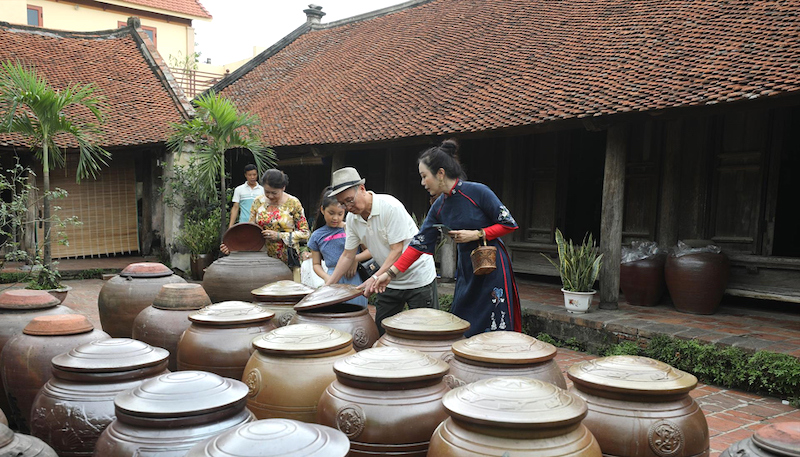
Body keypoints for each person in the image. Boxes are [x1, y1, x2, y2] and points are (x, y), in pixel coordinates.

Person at [368, 139, 522, 337]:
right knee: (463, 322)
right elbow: (418, 245)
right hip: (467, 270)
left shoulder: (478, 192)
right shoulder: (438, 207)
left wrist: (477, 234)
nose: (422, 183)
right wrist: (389, 274)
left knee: (495, 324)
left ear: (440, 173)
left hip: (492, 267)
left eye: (424, 176)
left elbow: (509, 223)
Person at [324, 167, 438, 335]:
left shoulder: (389, 207)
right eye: (343, 203)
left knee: (425, 332)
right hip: (388, 281)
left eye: (349, 200)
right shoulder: (352, 219)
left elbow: (397, 250)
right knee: (381, 331)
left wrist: (375, 277)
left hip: (417, 276)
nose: (348, 207)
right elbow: (348, 254)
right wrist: (327, 287)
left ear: (361, 188)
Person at [221, 169, 310, 281]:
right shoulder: (258, 202)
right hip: (261, 259)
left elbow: (305, 233)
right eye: (267, 192)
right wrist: (232, 246)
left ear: (283, 188)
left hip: (287, 259)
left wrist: (280, 236)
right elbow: (250, 231)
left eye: (274, 193)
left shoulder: (293, 203)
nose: (270, 196)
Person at [307, 186, 370, 306]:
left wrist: (354, 259)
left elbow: (369, 251)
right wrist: (327, 277)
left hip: (354, 276)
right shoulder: (317, 235)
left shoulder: (351, 228)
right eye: (331, 213)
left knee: (357, 311)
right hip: (333, 277)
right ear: (322, 210)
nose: (335, 218)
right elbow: (316, 264)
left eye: (340, 213)